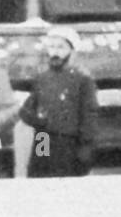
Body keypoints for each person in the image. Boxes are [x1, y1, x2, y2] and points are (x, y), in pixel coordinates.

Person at [18, 26, 98, 178]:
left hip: (67, 142)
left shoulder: (82, 79)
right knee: (41, 180)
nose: (55, 52)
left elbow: (89, 116)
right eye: (51, 47)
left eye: (61, 47)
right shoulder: (42, 78)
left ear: (72, 51)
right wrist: (35, 118)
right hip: (43, 138)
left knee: (64, 185)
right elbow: (27, 109)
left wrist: (85, 149)